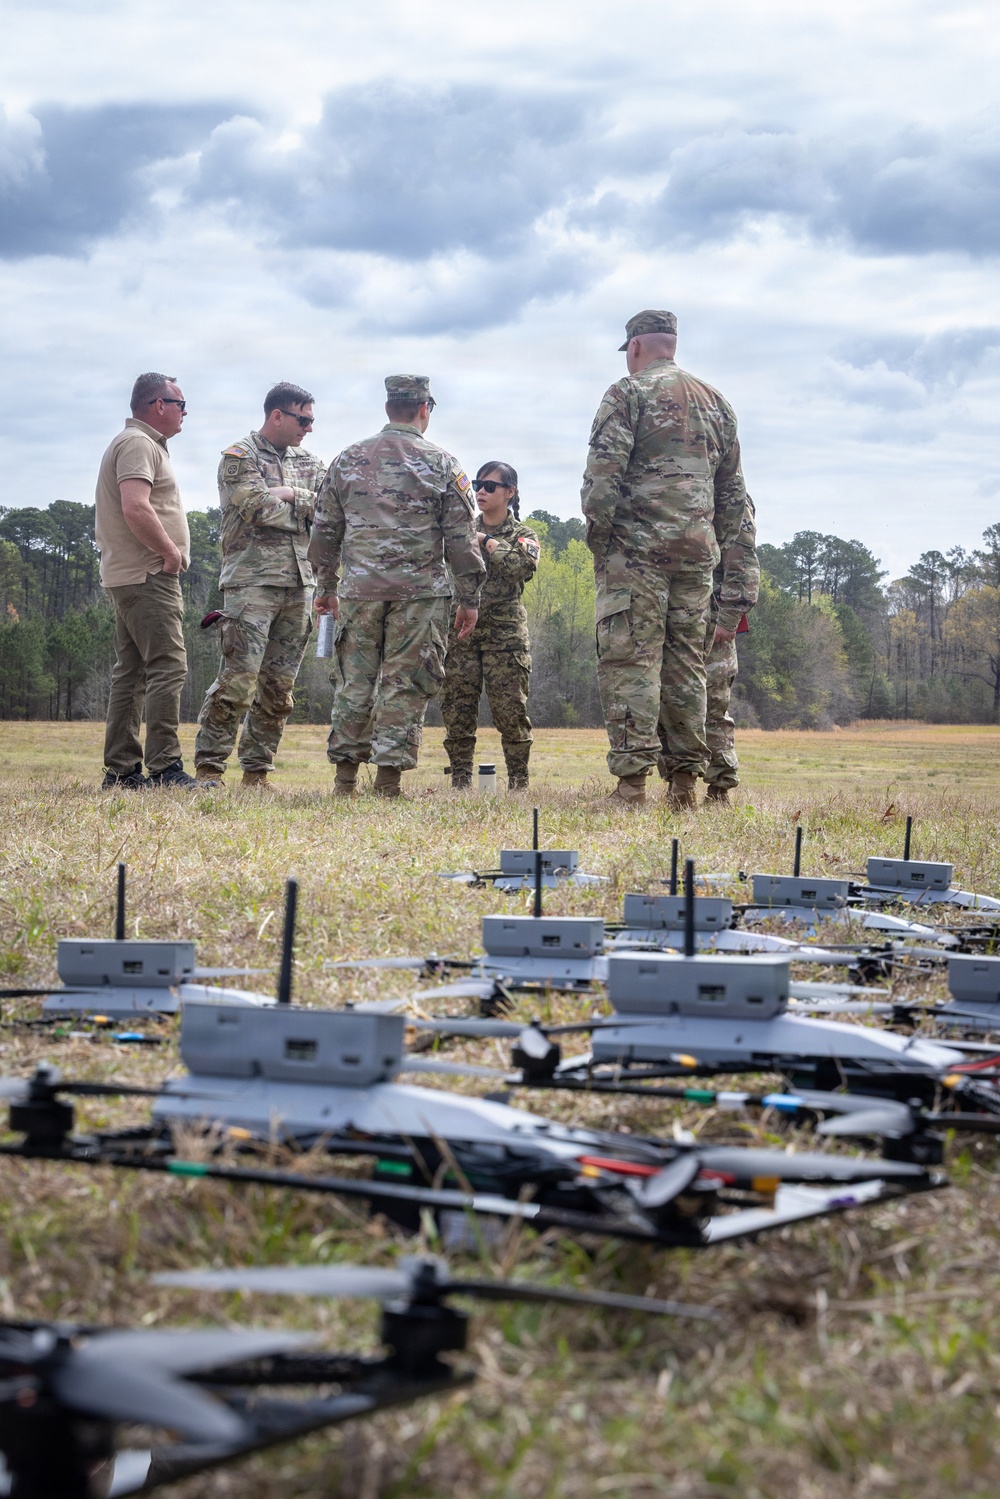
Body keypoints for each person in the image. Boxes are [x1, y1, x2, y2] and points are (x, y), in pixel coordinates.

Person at [581, 309, 751, 810]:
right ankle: (684, 787)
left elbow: (601, 480)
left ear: (635, 348)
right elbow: (733, 493)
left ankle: (632, 786)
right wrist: (715, 549)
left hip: (636, 555)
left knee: (630, 661)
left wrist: (602, 545)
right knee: (686, 668)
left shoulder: (627, 393)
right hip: (697, 558)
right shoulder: (717, 402)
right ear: (671, 345)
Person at [309, 375, 485, 798]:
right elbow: (461, 540)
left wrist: (326, 587)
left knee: (355, 681)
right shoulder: (443, 463)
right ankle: (388, 783)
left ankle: (345, 781)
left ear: (389, 408)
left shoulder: (347, 459)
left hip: (359, 592)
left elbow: (323, 533)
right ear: (425, 409)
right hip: (420, 596)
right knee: (405, 684)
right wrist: (470, 598)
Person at [193, 382, 324, 789]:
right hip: (252, 584)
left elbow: (328, 512)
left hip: (300, 584)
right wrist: (294, 505)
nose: (309, 428)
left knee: (278, 689)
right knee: (238, 681)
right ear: (277, 416)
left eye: (313, 421)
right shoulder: (240, 456)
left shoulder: (310, 462)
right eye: (303, 420)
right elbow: (256, 507)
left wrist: (289, 494)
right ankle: (209, 769)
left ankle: (257, 771)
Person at [95, 371, 194, 789]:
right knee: (167, 665)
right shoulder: (138, 443)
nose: (185, 413)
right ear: (159, 405)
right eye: (181, 405)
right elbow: (137, 507)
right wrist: (170, 553)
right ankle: (166, 768)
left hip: (131, 574)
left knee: (131, 672)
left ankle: (121, 772)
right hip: (147, 573)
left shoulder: (138, 443)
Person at [440, 462, 540, 791]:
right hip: (462, 632)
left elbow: (521, 568)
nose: (481, 491)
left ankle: (519, 783)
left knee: (510, 710)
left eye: (490, 486)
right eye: (479, 484)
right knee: (457, 708)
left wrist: (486, 541)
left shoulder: (524, 535)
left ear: (509, 493)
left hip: (505, 635)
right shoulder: (460, 529)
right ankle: (460, 779)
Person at [658, 495, 759, 806]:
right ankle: (678, 783)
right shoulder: (677, 486)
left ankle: (719, 789)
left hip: (713, 616)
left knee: (713, 706)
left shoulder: (730, 495)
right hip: (673, 612)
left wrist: (729, 617)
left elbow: (742, 557)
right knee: (671, 703)